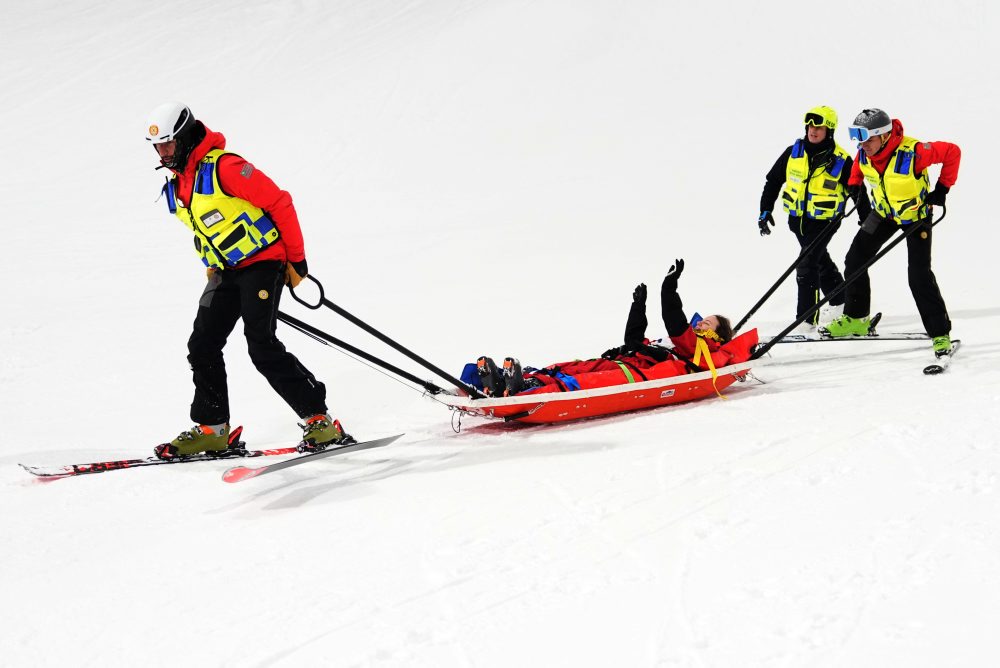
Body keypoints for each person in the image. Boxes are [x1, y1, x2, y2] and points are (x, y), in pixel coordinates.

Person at [144, 102, 350, 459]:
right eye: (158, 147)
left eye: (169, 144)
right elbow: (210, 228)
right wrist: (212, 264)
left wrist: (297, 260)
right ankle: (212, 429)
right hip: (226, 271)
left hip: (264, 263)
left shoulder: (226, 168)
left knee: (260, 343)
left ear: (186, 137)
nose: (163, 154)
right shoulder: (180, 184)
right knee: (202, 345)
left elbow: (280, 203)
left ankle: (319, 419)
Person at [475, 260, 752, 397]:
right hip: (627, 363)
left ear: (718, 335)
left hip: (635, 376)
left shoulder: (705, 349)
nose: (700, 322)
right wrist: (638, 307)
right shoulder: (677, 343)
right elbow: (634, 341)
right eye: (702, 320)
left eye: (707, 323)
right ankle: (508, 380)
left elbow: (675, 321)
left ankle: (524, 387)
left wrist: (668, 289)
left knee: (582, 382)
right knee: (571, 368)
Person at [820, 108, 960, 358]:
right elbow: (858, 169)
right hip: (884, 214)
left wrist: (942, 188)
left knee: (918, 275)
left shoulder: (914, 152)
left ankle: (940, 333)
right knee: (854, 261)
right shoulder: (865, 153)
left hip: (915, 216)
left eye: (868, 139)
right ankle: (856, 319)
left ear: (884, 136)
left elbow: (952, 152)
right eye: (859, 139)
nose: (863, 145)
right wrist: (854, 186)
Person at [758, 106, 871, 326]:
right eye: (810, 126)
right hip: (797, 220)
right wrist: (765, 210)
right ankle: (840, 299)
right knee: (819, 260)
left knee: (806, 265)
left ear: (829, 131)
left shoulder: (841, 160)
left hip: (825, 222)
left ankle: (806, 321)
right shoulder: (793, 153)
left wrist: (865, 218)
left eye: (819, 127)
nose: (813, 130)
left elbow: (858, 190)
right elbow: (773, 182)